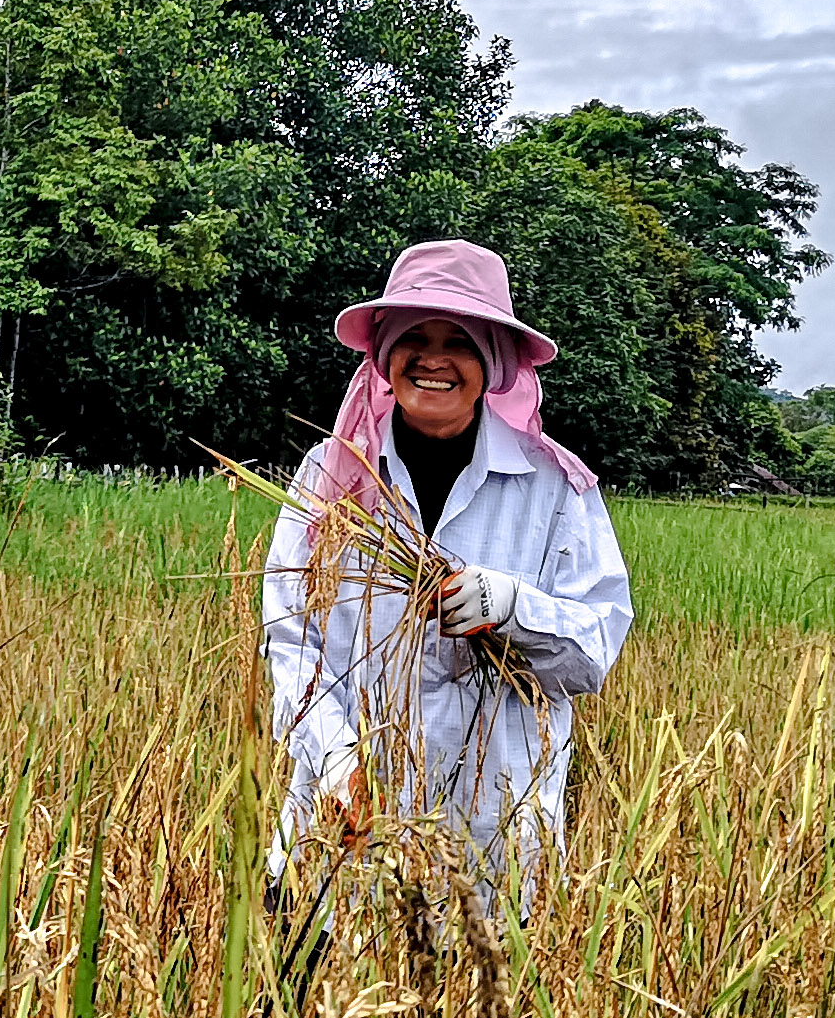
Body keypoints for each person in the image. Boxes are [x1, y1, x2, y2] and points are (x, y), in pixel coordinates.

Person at [258, 240, 634, 904]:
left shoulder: (554, 489)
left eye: (458, 340)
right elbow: (290, 640)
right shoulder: (331, 475)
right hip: (344, 820)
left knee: (479, 1000)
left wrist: (513, 607)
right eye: (414, 339)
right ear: (385, 355)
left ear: (492, 361)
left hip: (494, 828)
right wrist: (336, 759)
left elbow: (594, 650)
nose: (433, 359)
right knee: (321, 992)